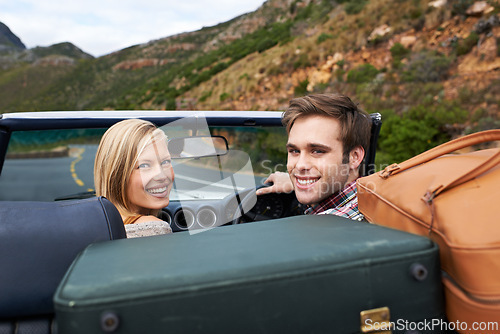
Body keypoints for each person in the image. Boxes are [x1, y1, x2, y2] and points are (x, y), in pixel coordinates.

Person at [256, 93, 372, 220]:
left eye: (317, 151)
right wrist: (301, 183)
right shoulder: (371, 200)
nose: (300, 165)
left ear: (354, 157)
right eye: (294, 151)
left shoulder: (329, 229)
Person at [94, 119, 174, 237]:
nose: (162, 176)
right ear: (117, 176)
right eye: (144, 165)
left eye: (165, 162)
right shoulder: (153, 228)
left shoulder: (96, 224)